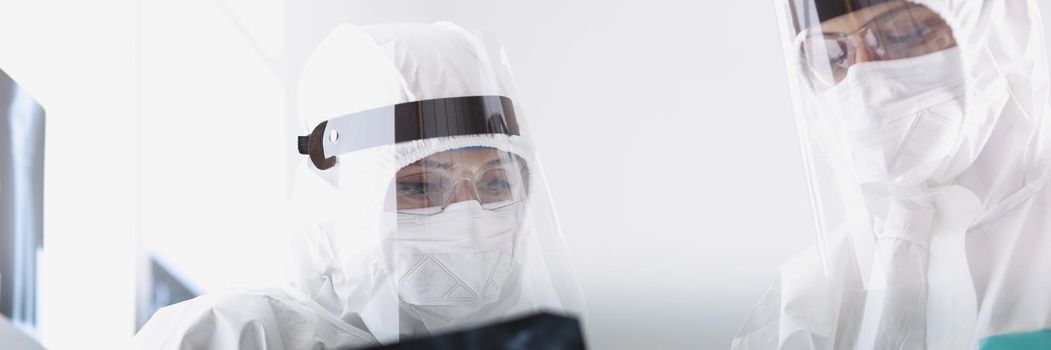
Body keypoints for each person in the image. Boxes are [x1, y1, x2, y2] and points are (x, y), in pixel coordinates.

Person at [131, 22, 585, 349]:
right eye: (420, 186)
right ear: (336, 195)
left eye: (495, 182)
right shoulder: (229, 336)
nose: (468, 219)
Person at [734, 0, 1051, 349]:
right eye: (833, 56)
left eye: (906, 33)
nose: (863, 77)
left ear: (997, 26)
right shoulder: (812, 308)